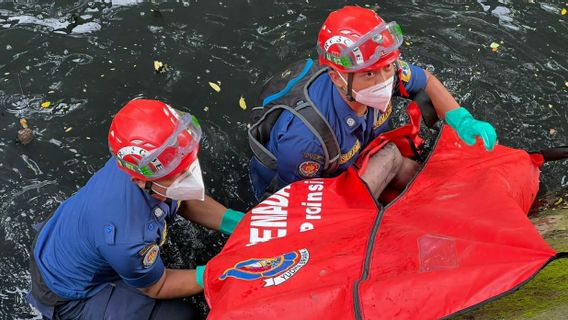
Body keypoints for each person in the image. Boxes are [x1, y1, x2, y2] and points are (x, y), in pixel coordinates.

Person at [249, 5, 497, 200]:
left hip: (358, 156)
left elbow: (426, 81)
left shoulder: (383, 70)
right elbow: (298, 205)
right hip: (310, 189)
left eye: (387, 68)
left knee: (415, 171)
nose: (385, 81)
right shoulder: (305, 141)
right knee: (392, 159)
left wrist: (461, 119)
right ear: (337, 78)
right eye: (369, 74)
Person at [26, 99, 245, 319]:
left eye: (188, 165)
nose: (189, 176)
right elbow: (157, 286)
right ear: (141, 182)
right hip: (68, 293)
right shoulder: (126, 237)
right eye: (178, 175)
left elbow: (185, 197)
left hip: (71, 240)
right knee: (181, 316)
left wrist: (243, 224)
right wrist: (218, 272)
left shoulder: (145, 162)